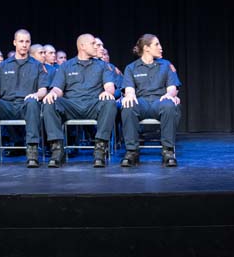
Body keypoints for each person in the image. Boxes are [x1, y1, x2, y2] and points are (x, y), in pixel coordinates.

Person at [0, 29, 48, 168]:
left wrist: (36, 95)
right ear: (14, 43)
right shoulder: (3, 65)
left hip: (26, 104)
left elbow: (43, 90)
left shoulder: (37, 66)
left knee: (32, 103)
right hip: (7, 105)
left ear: (30, 43)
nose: (24, 45)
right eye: (21, 41)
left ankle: (32, 150)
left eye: (27, 41)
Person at [42, 33, 117, 168]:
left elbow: (110, 86)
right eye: (93, 44)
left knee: (110, 102)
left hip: (93, 104)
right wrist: (52, 93)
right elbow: (58, 89)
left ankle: (100, 149)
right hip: (72, 105)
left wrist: (107, 91)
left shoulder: (103, 65)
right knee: (50, 102)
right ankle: (57, 150)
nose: (96, 47)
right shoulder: (66, 66)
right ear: (82, 46)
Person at [120, 34, 182, 167]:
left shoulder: (166, 65)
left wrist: (170, 94)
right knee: (128, 105)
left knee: (169, 105)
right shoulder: (131, 67)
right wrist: (129, 95)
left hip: (159, 101)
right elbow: (129, 88)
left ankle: (168, 151)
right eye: (157, 44)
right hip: (141, 102)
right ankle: (132, 151)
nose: (161, 48)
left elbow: (172, 87)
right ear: (147, 48)